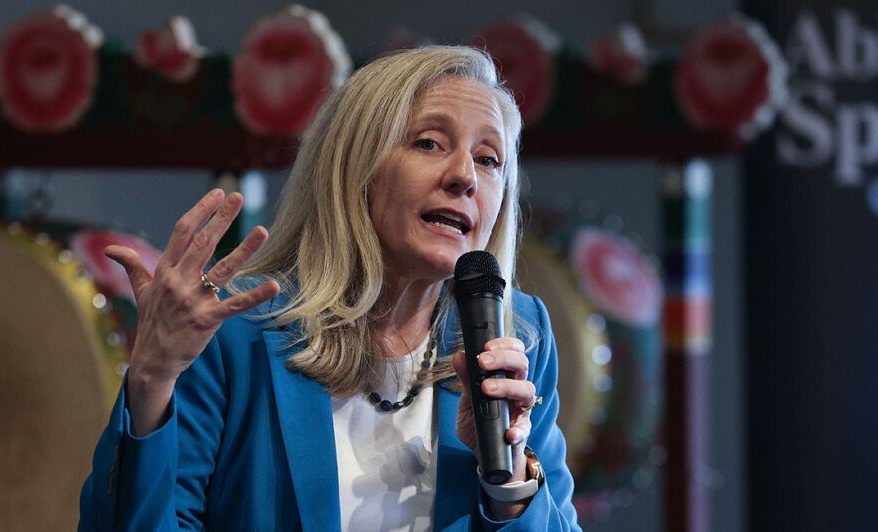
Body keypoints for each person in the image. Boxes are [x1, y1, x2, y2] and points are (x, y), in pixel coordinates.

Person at [79, 45, 581, 531]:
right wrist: (151, 378)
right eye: (428, 142)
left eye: (490, 159)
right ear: (353, 168)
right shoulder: (235, 334)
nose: (465, 177)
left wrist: (509, 482)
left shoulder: (517, 336)